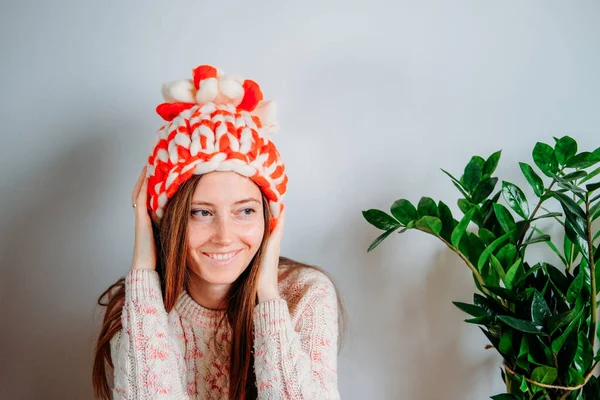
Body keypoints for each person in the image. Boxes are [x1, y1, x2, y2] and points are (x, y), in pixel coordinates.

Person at [91, 64, 346, 399]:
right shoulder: (141, 305)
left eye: (245, 211)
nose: (224, 235)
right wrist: (143, 266)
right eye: (202, 212)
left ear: (270, 219)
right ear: (168, 220)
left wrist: (267, 297)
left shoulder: (304, 294)